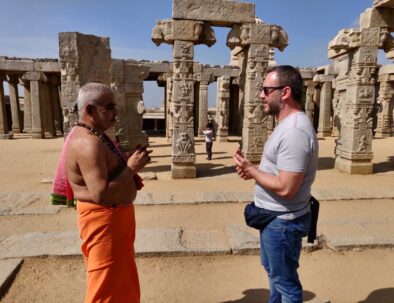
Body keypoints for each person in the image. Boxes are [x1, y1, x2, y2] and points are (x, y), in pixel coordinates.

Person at [233, 66, 318, 303]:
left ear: (285, 92)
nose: (261, 95)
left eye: (266, 89)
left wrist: (251, 170)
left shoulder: (294, 131)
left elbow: (286, 188)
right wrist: (255, 171)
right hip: (275, 218)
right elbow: (279, 175)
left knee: (285, 283)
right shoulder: (286, 125)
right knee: (275, 273)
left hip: (283, 222)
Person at [65, 82, 151, 303]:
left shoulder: (96, 135)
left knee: (120, 280)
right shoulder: (88, 143)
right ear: (90, 110)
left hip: (115, 220)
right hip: (104, 221)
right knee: (105, 287)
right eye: (110, 107)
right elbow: (100, 195)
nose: (116, 112)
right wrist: (131, 168)